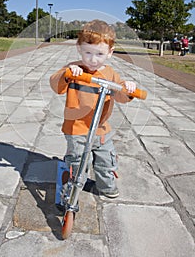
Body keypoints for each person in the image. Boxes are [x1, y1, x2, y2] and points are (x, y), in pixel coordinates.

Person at [50, 20, 136, 199]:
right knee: (80, 162)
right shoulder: (74, 69)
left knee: (106, 160)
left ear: (110, 53)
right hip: (77, 129)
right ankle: (71, 191)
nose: (93, 59)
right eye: (87, 52)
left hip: (101, 130)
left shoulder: (110, 73)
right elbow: (55, 84)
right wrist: (67, 75)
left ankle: (106, 186)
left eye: (99, 54)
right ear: (79, 48)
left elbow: (120, 95)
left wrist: (128, 88)